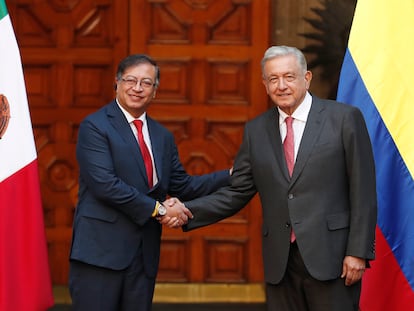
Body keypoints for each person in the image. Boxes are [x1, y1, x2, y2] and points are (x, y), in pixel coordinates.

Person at [165, 46, 377, 311]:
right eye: (273, 79)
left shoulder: (344, 119)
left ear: (307, 78)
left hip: (333, 257)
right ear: (265, 85)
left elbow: (363, 191)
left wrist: (357, 252)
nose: (281, 85)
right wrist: (187, 211)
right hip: (281, 261)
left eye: (289, 77)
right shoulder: (256, 130)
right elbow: (236, 191)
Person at [69, 54, 230, 311]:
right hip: (100, 255)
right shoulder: (95, 126)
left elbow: (183, 186)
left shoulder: (161, 136)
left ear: (155, 91)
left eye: (146, 82)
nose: (137, 88)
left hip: (143, 256)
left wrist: (232, 175)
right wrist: (162, 210)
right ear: (117, 83)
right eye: (130, 80)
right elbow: (105, 185)